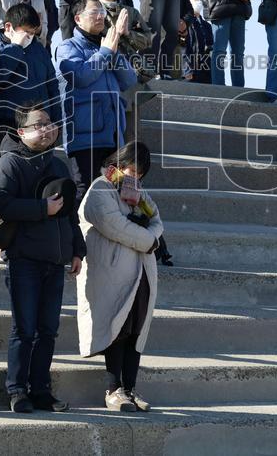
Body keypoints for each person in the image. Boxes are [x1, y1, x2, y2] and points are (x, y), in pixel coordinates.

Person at [0, 102, 85, 413]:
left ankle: (41, 389)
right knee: (25, 328)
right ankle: (17, 390)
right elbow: (2, 205)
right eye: (39, 125)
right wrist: (43, 210)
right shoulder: (10, 162)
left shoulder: (59, 163)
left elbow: (70, 212)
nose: (47, 129)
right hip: (24, 259)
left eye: (50, 124)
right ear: (21, 132)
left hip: (55, 260)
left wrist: (77, 250)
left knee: (48, 329)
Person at [76, 141, 162, 412]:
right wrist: (149, 240)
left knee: (136, 329)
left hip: (142, 271)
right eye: (131, 169)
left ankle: (131, 388)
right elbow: (115, 226)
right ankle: (113, 389)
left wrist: (149, 235)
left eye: (140, 174)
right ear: (119, 164)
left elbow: (158, 220)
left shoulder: (139, 193)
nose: (134, 177)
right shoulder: (101, 188)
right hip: (113, 271)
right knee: (118, 327)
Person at [55, 0, 138, 196]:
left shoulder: (107, 46)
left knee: (112, 193)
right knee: (86, 192)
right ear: (78, 18)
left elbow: (129, 80)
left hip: (113, 135)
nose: (100, 17)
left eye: (102, 12)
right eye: (94, 12)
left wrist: (114, 46)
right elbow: (81, 76)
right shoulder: (68, 47)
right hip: (85, 136)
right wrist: (106, 51)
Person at [0, 4, 61, 162]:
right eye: (26, 32)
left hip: (39, 125)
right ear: (8, 27)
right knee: (6, 168)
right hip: (5, 124)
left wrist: (56, 120)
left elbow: (52, 85)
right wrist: (15, 47)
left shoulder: (38, 50)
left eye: (33, 33)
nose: (29, 37)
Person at [92, 0, 153, 82]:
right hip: (102, 67)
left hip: (130, 68)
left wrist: (128, 33)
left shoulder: (131, 12)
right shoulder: (90, 11)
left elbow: (147, 40)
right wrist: (115, 34)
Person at [180, 0, 213, 84]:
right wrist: (187, 70)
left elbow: (211, 48)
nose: (198, 2)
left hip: (206, 73)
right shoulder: (182, 24)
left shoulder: (207, 26)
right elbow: (181, 48)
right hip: (187, 74)